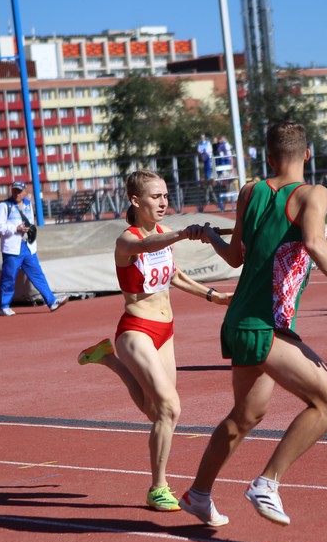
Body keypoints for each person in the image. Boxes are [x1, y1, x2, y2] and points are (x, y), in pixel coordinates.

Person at [179, 122, 327, 528]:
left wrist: (210, 236)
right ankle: (266, 483)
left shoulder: (250, 191)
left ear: (269, 157)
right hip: (265, 324)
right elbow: (314, 242)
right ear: (307, 155)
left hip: (240, 320)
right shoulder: (313, 193)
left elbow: (235, 257)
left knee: (247, 415)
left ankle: (198, 494)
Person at [77, 171, 232, 511]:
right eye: (155, 196)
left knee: (156, 411)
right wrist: (184, 233)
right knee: (170, 408)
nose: (163, 202)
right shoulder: (127, 241)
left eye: (165, 195)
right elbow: (147, 246)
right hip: (136, 330)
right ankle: (158, 488)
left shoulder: (163, 233)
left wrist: (214, 296)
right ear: (135, 201)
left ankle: (108, 359)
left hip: (166, 331)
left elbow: (174, 275)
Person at [0, 181, 65, 316]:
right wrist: (16, 229)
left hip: (28, 247)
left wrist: (30, 232)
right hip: (12, 249)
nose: (17, 193)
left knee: (38, 274)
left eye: (19, 191)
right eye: (14, 190)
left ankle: (51, 301)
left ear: (25, 192)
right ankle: (4, 306)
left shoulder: (28, 204)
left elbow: (30, 222)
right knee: (9, 277)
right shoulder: (4, 206)